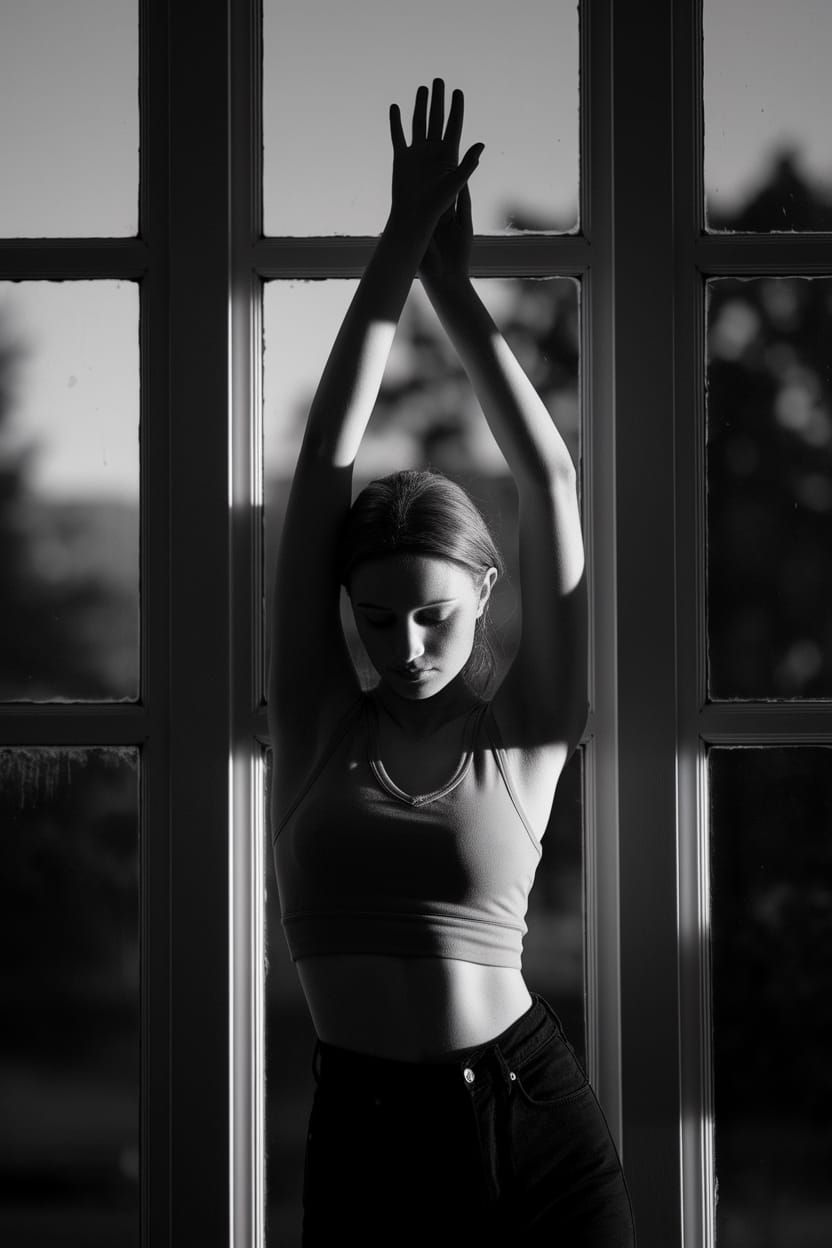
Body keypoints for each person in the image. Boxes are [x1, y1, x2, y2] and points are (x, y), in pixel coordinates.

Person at [268, 79, 636, 1246]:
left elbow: (550, 483)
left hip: (527, 1119)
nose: (405, 647)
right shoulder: (325, 721)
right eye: (375, 620)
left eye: (431, 616)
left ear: (483, 592)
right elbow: (323, 465)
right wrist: (395, 245)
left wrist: (448, 286)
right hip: (365, 1130)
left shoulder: (525, 731)